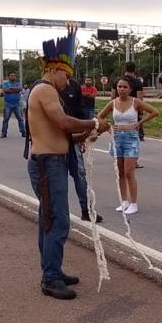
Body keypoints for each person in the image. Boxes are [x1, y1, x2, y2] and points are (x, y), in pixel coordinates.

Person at [26, 28, 110, 299]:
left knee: (49, 220)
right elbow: (63, 122)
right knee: (57, 220)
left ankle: (53, 270)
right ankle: (50, 277)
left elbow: (63, 134)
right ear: (54, 69)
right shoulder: (45, 90)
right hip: (47, 164)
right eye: (67, 74)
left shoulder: (49, 92)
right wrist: (93, 122)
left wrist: (88, 133)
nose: (68, 80)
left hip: (53, 162)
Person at [97, 78, 158, 215]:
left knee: (129, 172)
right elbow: (100, 116)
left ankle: (133, 203)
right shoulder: (112, 103)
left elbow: (154, 111)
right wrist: (108, 127)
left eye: (125, 87)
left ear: (130, 89)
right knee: (120, 173)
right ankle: (124, 201)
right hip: (116, 138)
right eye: (119, 86)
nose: (121, 89)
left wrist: (138, 123)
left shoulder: (135, 102)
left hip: (131, 139)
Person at [60, 74, 103, 223]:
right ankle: (55, 213)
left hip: (72, 138)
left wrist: (86, 131)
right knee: (57, 178)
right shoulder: (46, 87)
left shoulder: (74, 86)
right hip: (53, 140)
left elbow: (80, 110)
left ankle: (87, 210)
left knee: (80, 174)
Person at [0, 72, 26, 137]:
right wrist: (15, 90)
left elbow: (20, 89)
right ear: (9, 77)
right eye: (11, 76)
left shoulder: (18, 83)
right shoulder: (5, 83)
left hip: (17, 104)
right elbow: (5, 90)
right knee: (6, 119)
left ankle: (23, 132)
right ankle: (4, 133)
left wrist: (11, 88)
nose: (13, 77)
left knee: (20, 118)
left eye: (14, 76)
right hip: (8, 104)